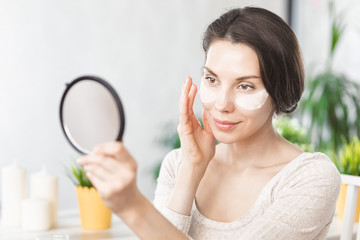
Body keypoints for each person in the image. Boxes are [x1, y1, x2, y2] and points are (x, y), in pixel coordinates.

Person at [78, 7, 341, 240]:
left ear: (279, 90)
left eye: (245, 86)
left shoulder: (310, 177)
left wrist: (132, 207)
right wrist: (191, 170)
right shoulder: (177, 164)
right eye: (212, 80)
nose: (222, 104)